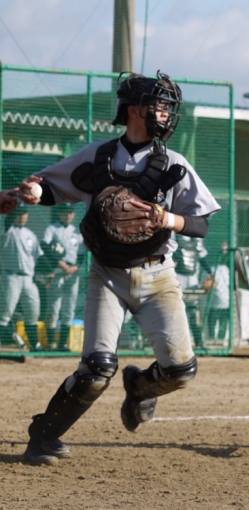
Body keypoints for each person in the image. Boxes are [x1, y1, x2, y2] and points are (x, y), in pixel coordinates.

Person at [18, 71, 221, 466]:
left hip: (157, 277)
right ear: (133, 111)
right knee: (96, 369)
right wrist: (35, 191)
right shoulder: (98, 156)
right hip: (107, 275)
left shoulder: (173, 164)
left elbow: (201, 223)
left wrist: (167, 219)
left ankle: (139, 388)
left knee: (180, 371)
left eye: (167, 107)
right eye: (158, 105)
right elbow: (52, 186)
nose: (166, 113)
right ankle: (42, 437)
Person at [0, 202, 44, 350]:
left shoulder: (30, 234)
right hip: (11, 277)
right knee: (5, 313)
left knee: (33, 310)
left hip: (29, 278)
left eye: (23, 214)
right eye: (18, 214)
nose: (21, 217)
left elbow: (38, 257)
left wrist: (45, 274)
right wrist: (10, 207)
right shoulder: (7, 230)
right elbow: (6, 222)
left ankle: (35, 345)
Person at [41, 203, 84, 351]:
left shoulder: (77, 232)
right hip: (58, 270)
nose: (68, 215)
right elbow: (44, 246)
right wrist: (60, 264)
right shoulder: (52, 228)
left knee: (69, 308)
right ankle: (51, 343)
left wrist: (75, 267)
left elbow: (82, 254)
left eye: (70, 212)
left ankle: (63, 344)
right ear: (59, 213)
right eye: (64, 212)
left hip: (73, 272)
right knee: (54, 307)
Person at [173, 233, 211, 348]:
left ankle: (198, 341)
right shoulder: (174, 235)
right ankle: (177, 342)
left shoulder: (196, 237)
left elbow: (202, 257)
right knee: (176, 309)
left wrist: (210, 272)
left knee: (193, 311)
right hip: (178, 276)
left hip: (192, 278)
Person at [203, 241, 230, 341]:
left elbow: (205, 286)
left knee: (212, 320)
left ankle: (212, 338)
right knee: (223, 321)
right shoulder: (227, 269)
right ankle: (221, 339)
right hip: (226, 301)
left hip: (213, 302)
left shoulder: (209, 270)